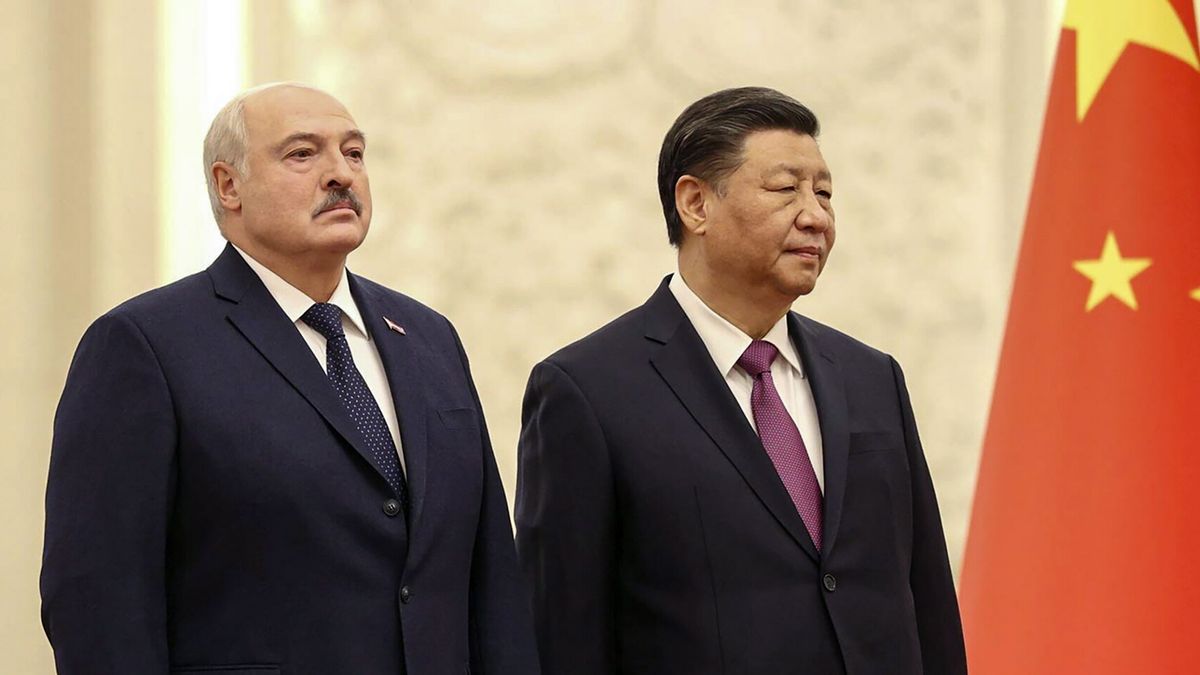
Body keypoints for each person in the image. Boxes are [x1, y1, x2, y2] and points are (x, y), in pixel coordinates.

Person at [41, 82, 538, 675]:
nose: (340, 174)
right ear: (229, 186)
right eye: (303, 154)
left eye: (353, 153)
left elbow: (491, 581)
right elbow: (99, 605)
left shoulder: (429, 338)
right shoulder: (144, 346)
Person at [515, 86, 966, 674]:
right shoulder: (586, 391)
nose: (816, 216)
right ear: (695, 204)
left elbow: (926, 597)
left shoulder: (871, 377)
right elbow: (563, 636)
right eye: (786, 190)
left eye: (824, 193)